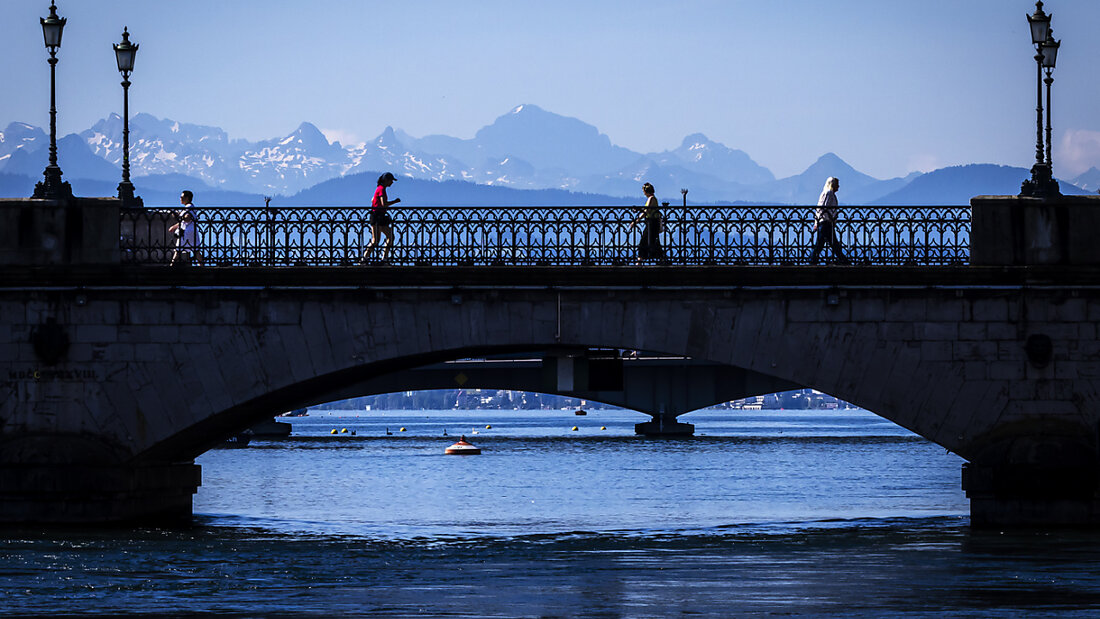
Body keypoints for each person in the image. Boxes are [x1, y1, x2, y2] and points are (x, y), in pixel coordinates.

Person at [361, 172, 401, 264]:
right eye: (391, 180)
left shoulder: (379, 189)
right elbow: (384, 204)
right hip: (378, 217)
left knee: (383, 238)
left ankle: (368, 258)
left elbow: (373, 200)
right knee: (381, 239)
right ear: (386, 180)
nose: (392, 182)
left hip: (377, 216)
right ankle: (377, 258)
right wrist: (395, 201)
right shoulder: (381, 189)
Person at [809, 176, 848, 265]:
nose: (838, 186)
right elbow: (822, 209)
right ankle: (844, 261)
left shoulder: (830, 193)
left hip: (826, 222)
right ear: (832, 185)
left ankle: (813, 261)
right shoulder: (828, 193)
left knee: (826, 243)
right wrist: (821, 221)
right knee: (827, 244)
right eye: (837, 184)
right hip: (825, 222)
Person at [630, 182, 664, 264]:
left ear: (646, 191)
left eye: (644, 191)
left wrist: (637, 220)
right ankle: (661, 258)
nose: (643, 193)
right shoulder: (653, 198)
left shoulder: (651, 199)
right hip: (653, 222)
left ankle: (640, 260)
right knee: (653, 242)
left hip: (652, 223)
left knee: (644, 241)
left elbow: (646, 210)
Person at [168, 190, 202, 266]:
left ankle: (171, 266)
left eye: (181, 197)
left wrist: (178, 216)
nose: (180, 198)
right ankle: (202, 266)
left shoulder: (188, 207)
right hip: (191, 231)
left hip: (186, 232)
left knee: (178, 250)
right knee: (196, 250)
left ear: (187, 198)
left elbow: (187, 218)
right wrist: (174, 227)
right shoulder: (191, 207)